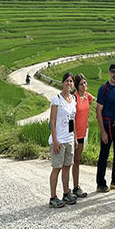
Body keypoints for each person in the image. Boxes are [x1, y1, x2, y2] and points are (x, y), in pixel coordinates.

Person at [48, 72, 78, 208]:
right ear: (62, 83)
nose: (69, 83)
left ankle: (66, 193)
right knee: (57, 168)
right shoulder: (56, 100)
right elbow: (52, 121)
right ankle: (53, 197)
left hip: (69, 139)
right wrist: (55, 140)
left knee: (67, 167)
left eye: (71, 81)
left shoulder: (73, 99)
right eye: (67, 81)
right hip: (59, 139)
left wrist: (75, 137)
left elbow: (73, 120)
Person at [95, 63, 115, 192]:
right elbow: (98, 111)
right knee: (104, 154)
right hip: (107, 125)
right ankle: (100, 183)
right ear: (109, 73)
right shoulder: (103, 89)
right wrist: (103, 132)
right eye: (113, 72)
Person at [72, 73, 94, 199]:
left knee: (77, 160)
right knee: (73, 161)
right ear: (77, 86)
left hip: (82, 133)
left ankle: (75, 187)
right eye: (81, 84)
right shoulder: (74, 98)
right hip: (74, 134)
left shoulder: (87, 97)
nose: (84, 85)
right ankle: (74, 187)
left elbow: (94, 100)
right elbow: (72, 118)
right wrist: (74, 135)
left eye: (85, 83)